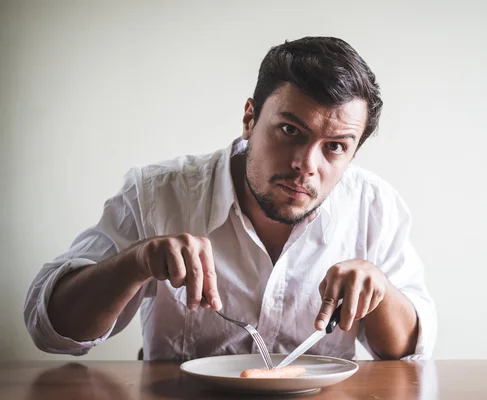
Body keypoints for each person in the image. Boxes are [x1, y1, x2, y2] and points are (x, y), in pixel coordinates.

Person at [24, 36, 437, 361]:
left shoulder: (374, 208)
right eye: (290, 130)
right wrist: (137, 262)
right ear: (250, 118)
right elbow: (52, 331)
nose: (306, 165)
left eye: (335, 147)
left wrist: (380, 291)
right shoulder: (156, 195)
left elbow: (406, 352)